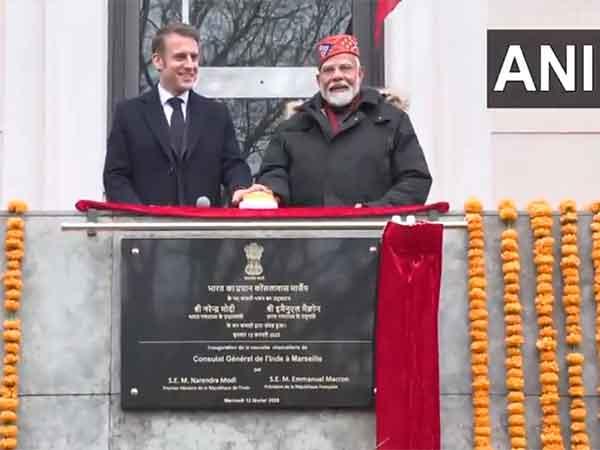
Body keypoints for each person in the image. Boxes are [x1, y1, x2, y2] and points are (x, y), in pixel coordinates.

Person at [256, 34, 432, 207]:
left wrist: (372, 212)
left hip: (373, 234)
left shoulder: (392, 120)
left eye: (345, 68)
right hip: (308, 235)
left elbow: (415, 180)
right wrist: (273, 195)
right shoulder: (292, 127)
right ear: (318, 80)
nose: (337, 76)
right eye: (328, 70)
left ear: (360, 74)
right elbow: (272, 175)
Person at [103, 23, 263, 206]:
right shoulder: (129, 114)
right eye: (180, 57)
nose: (190, 65)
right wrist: (141, 215)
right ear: (158, 61)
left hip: (203, 230)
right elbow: (115, 177)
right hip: (147, 231)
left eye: (194, 57)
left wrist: (239, 188)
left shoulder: (216, 114)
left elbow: (233, 165)